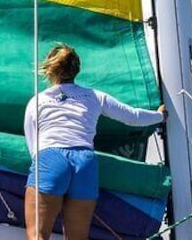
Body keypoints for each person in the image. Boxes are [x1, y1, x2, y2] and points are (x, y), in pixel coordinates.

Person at [23, 43, 166, 240]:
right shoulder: (94, 96)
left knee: (37, 235)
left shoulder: (37, 100)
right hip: (85, 163)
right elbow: (132, 116)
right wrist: (159, 116)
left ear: (50, 69)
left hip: (50, 159)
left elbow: (33, 144)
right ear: (77, 69)